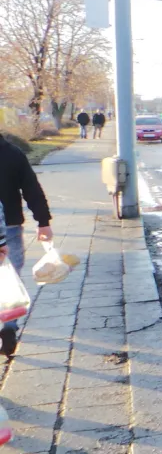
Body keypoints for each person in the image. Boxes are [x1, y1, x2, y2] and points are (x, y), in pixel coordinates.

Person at [0, 132, 53, 356]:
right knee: (10, 279)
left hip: (8, 226)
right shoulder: (12, 153)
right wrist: (43, 222)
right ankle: (9, 326)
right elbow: (31, 188)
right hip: (10, 227)